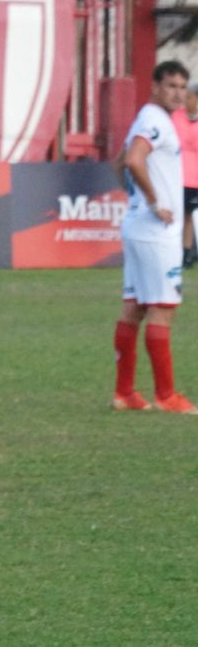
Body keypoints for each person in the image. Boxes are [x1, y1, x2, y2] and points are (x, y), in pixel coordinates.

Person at [111, 60, 198, 414]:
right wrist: (152, 201)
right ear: (155, 87)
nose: (178, 92)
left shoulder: (149, 118)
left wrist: (134, 199)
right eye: (171, 85)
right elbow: (133, 161)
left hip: (138, 227)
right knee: (163, 310)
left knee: (134, 309)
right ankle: (166, 396)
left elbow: (119, 162)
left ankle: (125, 393)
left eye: (182, 86)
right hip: (155, 232)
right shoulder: (156, 120)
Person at [170, 82, 198, 268]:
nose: (187, 101)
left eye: (190, 97)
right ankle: (177, 252)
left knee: (188, 215)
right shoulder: (175, 117)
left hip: (195, 177)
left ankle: (187, 253)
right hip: (175, 175)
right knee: (177, 215)